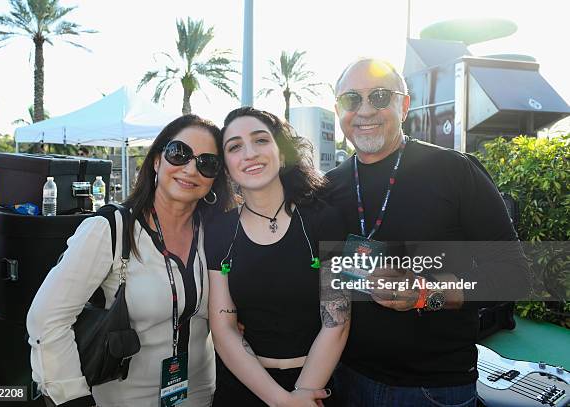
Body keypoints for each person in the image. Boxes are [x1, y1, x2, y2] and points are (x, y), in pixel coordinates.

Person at [324, 58, 530, 406]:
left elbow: (515, 276)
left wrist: (426, 293)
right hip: (344, 380)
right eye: (351, 99)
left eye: (379, 96)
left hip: (433, 389)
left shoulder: (455, 171)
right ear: (339, 110)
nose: (364, 111)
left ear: (403, 105)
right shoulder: (328, 187)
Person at [27, 115, 232, 407]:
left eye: (207, 162)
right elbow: (46, 319)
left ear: (215, 178)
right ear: (157, 161)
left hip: (201, 397)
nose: (190, 168)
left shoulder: (216, 235)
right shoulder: (110, 228)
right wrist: (71, 396)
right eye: (179, 153)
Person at [206, 107, 350, 406]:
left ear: (281, 154)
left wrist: (302, 394)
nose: (249, 153)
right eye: (235, 147)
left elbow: (337, 321)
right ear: (227, 166)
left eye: (261, 140)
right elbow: (224, 329)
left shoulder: (324, 220)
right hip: (244, 388)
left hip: (315, 388)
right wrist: (281, 401)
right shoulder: (219, 230)